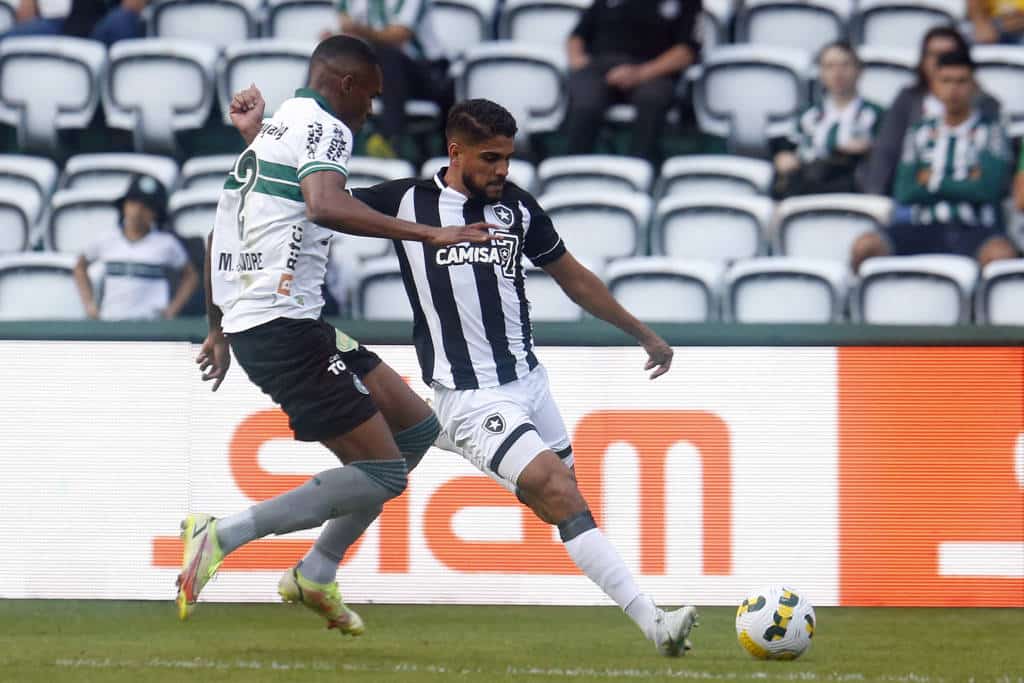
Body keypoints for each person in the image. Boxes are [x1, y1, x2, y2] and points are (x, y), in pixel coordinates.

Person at [231, 91, 698, 657]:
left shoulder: (517, 209)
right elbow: (321, 202)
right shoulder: (406, 202)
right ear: (456, 151)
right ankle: (656, 625)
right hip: (473, 397)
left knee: (563, 495)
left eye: (508, 159)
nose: (503, 170)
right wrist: (257, 139)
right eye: (490, 160)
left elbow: (574, 278)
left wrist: (643, 332)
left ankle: (320, 563)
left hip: (530, 384)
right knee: (557, 492)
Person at [176, 36, 495, 633]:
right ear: (345, 85)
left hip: (283, 322)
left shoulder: (275, 133)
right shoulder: (326, 125)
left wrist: (217, 328)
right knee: (385, 473)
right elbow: (324, 207)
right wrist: (427, 235)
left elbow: (220, 232)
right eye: (371, 96)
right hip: (282, 328)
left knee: (418, 430)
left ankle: (317, 572)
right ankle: (221, 534)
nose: (372, 110)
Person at [850, 50, 1017, 272]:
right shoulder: (919, 132)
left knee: (1001, 256)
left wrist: (932, 180)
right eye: (945, 81)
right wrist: (967, 180)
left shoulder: (992, 132)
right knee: (866, 246)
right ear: (934, 86)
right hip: (919, 227)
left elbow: (988, 190)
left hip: (975, 228)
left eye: (961, 81)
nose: (953, 89)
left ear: (973, 85)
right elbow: (905, 191)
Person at [860, 26, 1001, 197]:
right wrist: (875, 196)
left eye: (948, 53)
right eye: (932, 54)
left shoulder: (987, 104)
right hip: (910, 206)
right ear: (923, 59)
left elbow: (990, 179)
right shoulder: (908, 99)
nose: (939, 60)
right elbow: (887, 153)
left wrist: (931, 181)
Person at [564, 0, 702, 162]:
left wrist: (640, 74)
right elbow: (577, 36)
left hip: (654, 71)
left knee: (652, 99)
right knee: (586, 101)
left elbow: (686, 53)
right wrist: (578, 62)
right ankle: (572, 171)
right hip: (600, 69)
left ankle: (639, 171)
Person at [323, 0, 450, 159]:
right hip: (378, 72)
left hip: (425, 72)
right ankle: (315, 134)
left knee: (388, 54)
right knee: (328, 54)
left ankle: (390, 138)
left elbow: (399, 35)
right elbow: (345, 25)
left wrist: (358, 30)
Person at [72, 174, 199, 321]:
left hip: (152, 326)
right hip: (111, 323)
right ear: (124, 205)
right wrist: (89, 305)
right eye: (133, 202)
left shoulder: (167, 244)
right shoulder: (106, 240)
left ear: (156, 213)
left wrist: (172, 310)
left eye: (147, 206)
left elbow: (191, 276)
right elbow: (80, 266)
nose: (138, 211)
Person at [772, 42, 885, 199]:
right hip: (807, 188)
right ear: (821, 73)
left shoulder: (877, 114)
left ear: (859, 70)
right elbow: (787, 150)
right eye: (830, 66)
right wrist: (783, 158)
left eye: (845, 65)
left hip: (855, 189)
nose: (837, 73)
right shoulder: (807, 115)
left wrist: (870, 149)